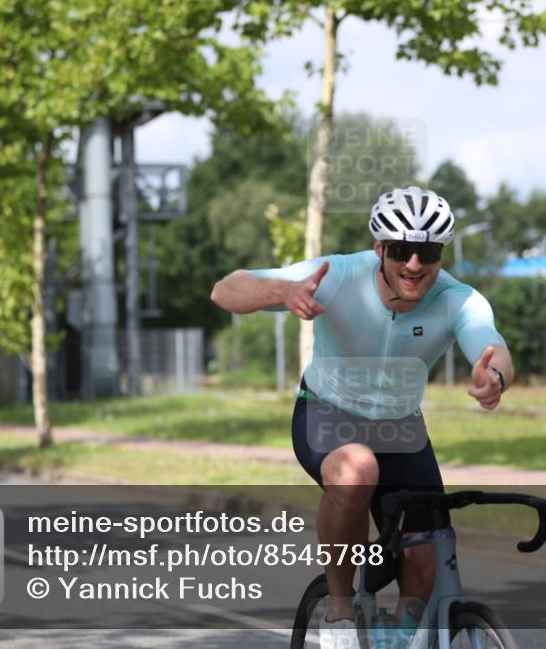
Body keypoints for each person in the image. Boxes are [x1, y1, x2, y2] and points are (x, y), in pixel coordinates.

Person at [210, 186, 513, 648]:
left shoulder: (458, 299)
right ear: (379, 249)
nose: (414, 264)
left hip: (400, 428)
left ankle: (402, 638)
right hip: (328, 412)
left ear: (440, 253)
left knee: (426, 554)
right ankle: (340, 611)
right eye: (400, 250)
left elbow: (492, 345)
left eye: (427, 251)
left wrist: (494, 376)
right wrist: (283, 290)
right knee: (356, 469)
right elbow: (225, 288)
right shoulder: (337, 275)